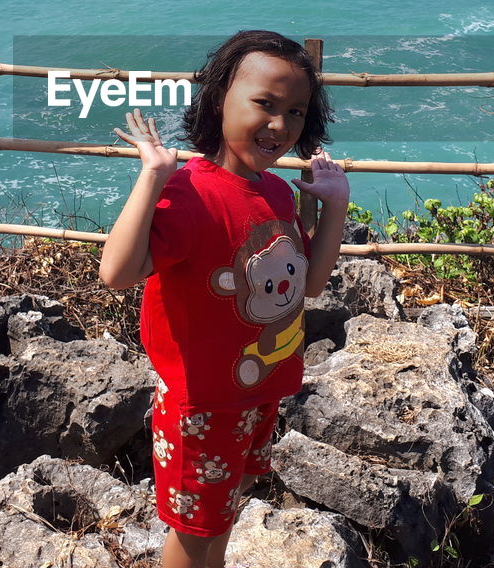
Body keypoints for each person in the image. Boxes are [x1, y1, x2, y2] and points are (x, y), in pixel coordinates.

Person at [100, 30, 349, 568]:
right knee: (193, 535)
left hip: (256, 391)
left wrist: (336, 206)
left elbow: (307, 285)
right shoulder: (189, 193)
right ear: (218, 101)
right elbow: (116, 272)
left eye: (297, 112)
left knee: (220, 519)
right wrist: (152, 178)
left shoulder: (276, 191)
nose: (281, 125)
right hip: (202, 406)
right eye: (265, 104)